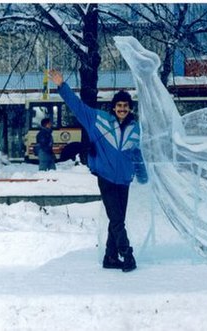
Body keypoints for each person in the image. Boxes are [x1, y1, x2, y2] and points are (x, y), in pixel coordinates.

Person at [49, 69, 148, 273]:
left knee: (117, 218)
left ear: (130, 109)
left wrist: (143, 175)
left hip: (124, 180)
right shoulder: (99, 120)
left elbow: (137, 154)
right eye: (119, 106)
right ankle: (127, 254)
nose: (122, 109)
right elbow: (77, 107)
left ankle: (110, 257)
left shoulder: (135, 129)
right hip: (105, 177)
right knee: (117, 218)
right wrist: (61, 86)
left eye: (125, 106)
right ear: (113, 107)